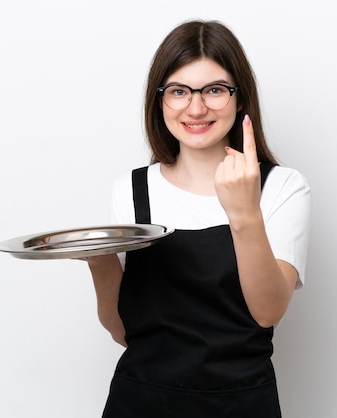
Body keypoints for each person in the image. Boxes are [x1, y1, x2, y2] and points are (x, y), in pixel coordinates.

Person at [85, 19, 311, 417]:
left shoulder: (282, 187)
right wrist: (99, 260)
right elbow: (124, 333)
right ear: (160, 101)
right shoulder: (132, 190)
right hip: (140, 402)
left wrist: (243, 212)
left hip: (241, 404)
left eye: (214, 90)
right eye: (178, 91)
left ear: (240, 98)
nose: (196, 107)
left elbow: (268, 310)